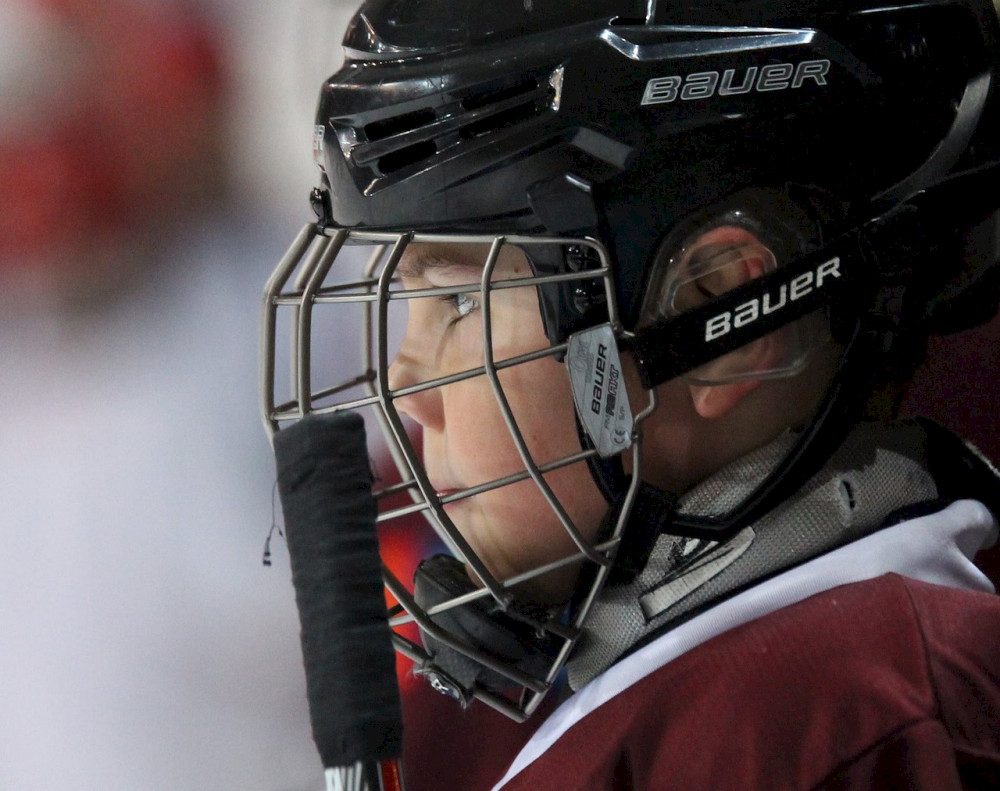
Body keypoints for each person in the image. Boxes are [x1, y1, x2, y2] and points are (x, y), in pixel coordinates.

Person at [261, 0, 1000, 788]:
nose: (407, 388)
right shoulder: (753, 707)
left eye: (460, 301)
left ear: (720, 315)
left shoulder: (816, 730)